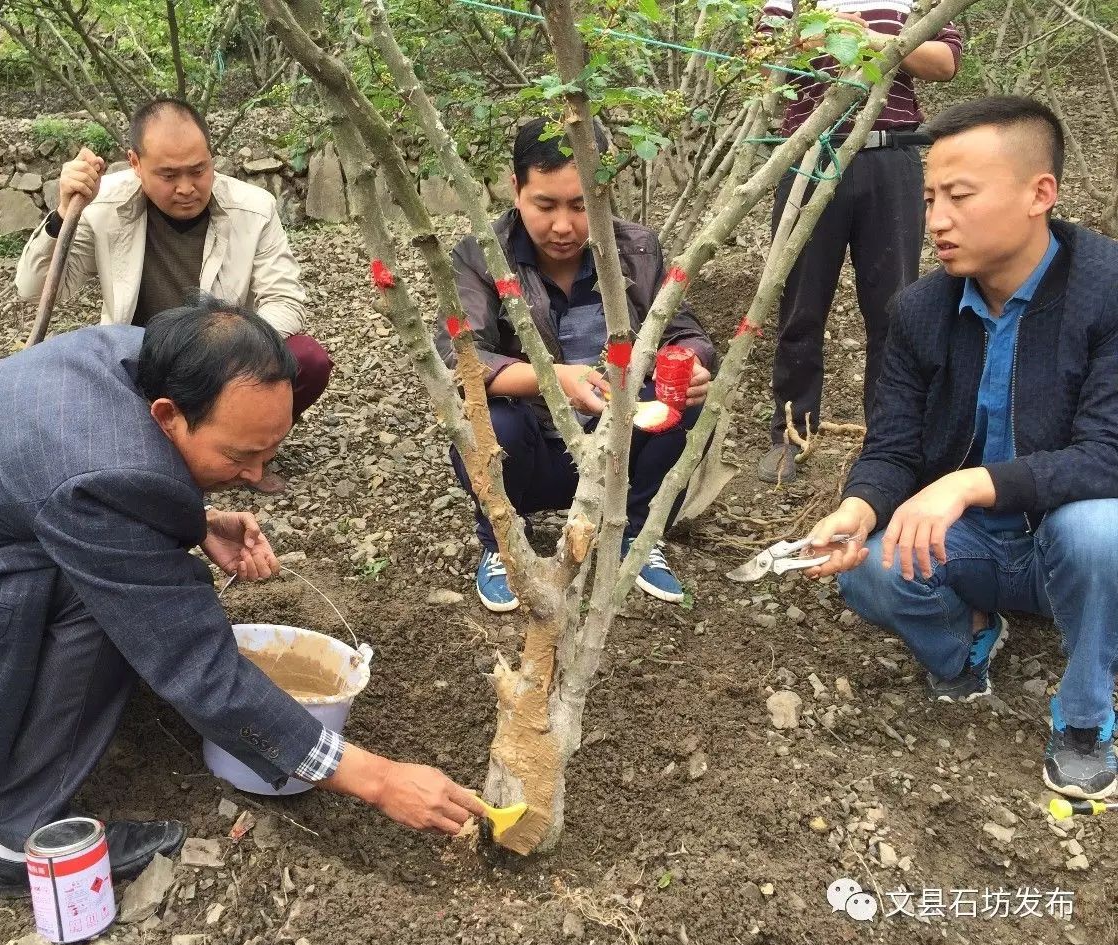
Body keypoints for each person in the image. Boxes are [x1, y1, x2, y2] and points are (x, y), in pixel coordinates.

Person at [0, 296, 485, 898]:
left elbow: (76, 489)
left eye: (273, 450)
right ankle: (18, 840)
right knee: (106, 604)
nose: (258, 478)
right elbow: (194, 660)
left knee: (124, 585)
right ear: (169, 416)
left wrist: (196, 523)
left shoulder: (143, 357)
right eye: (241, 456)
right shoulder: (101, 471)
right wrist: (375, 778)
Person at [803, 97, 1118, 799]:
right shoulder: (921, 310)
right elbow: (892, 448)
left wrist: (971, 483)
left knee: (1101, 532)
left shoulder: (1107, 291)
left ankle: (1086, 719)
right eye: (930, 198)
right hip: (977, 547)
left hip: (1070, 540)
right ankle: (970, 637)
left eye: (960, 196)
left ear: (1041, 194)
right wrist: (858, 506)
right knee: (870, 566)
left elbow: (1108, 456)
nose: (937, 220)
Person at [439, 117, 718, 612]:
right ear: (515, 189)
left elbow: (685, 331)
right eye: (545, 205)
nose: (563, 226)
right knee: (485, 421)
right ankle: (503, 540)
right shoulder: (483, 256)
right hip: (530, 449)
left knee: (685, 404)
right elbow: (460, 359)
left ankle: (636, 530)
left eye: (582, 204)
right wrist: (553, 381)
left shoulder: (636, 249)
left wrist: (692, 362)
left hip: (618, 445)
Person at [15, 96, 332, 493]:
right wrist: (64, 213)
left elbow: (285, 301)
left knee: (308, 359)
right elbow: (37, 289)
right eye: (168, 175)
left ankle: (247, 455)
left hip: (227, 366)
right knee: (65, 385)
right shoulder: (102, 204)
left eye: (199, 170)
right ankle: (165, 461)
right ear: (135, 163)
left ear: (212, 158)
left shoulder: (255, 208)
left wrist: (229, 350)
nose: (186, 188)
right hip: (139, 362)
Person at [756, 0, 963, 483]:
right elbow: (763, 66)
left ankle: (888, 444)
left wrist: (871, 42)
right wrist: (812, 38)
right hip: (810, 155)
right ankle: (790, 435)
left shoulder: (916, 3)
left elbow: (944, 64)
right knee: (800, 305)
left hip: (890, 158)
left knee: (894, 308)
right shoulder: (791, 3)